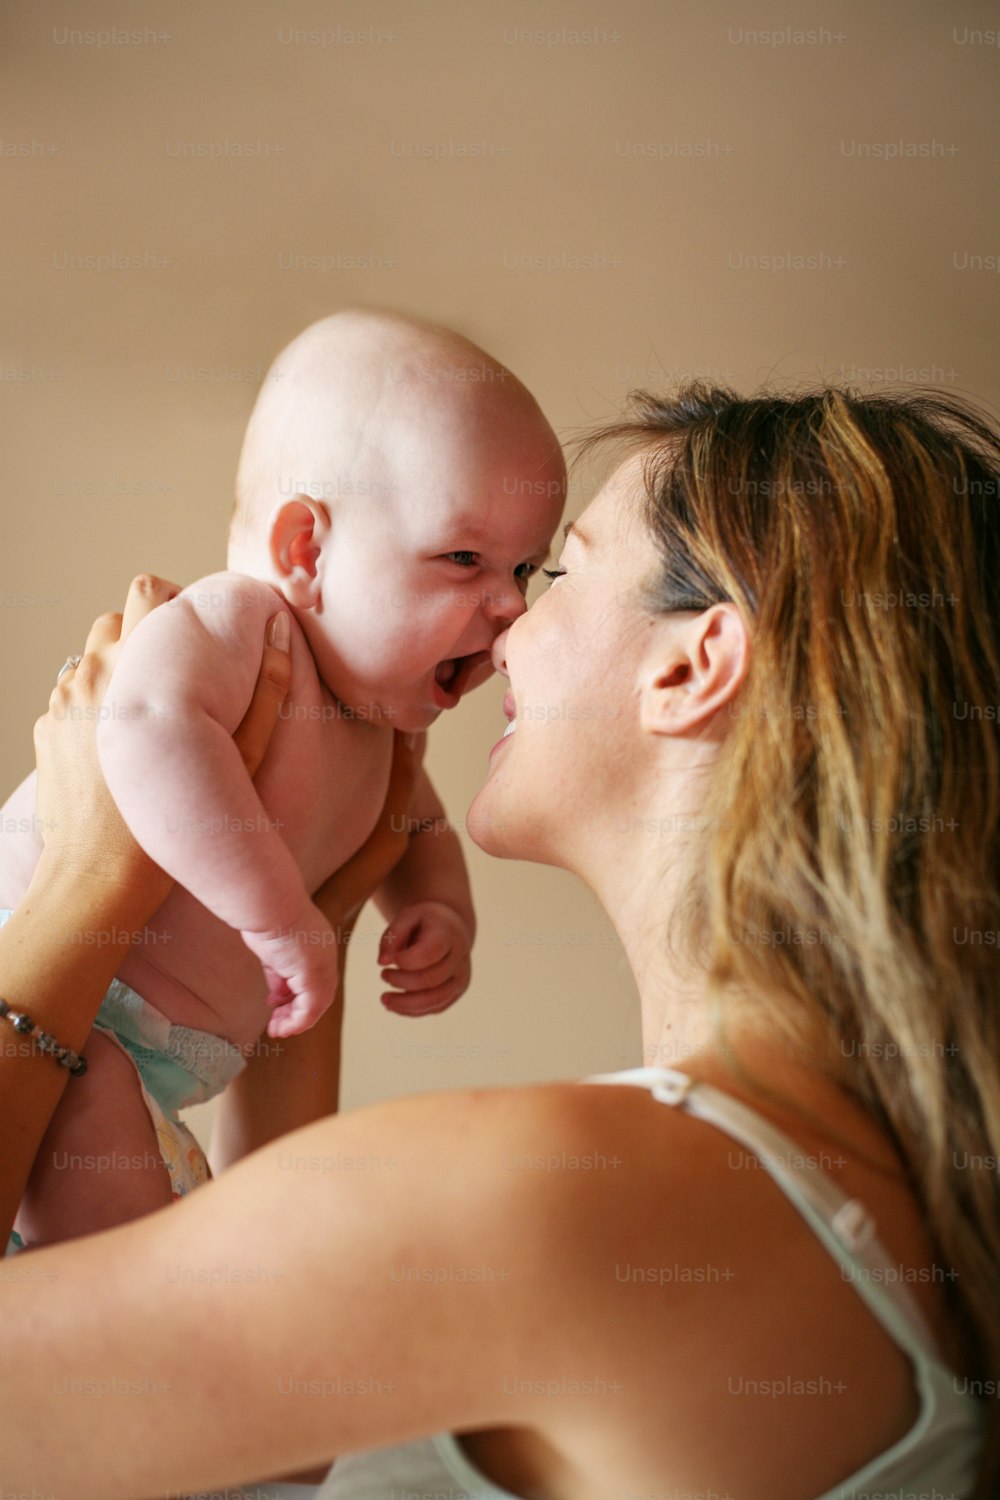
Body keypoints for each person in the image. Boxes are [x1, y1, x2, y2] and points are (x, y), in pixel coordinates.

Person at [0, 382, 997, 1500]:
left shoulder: (543, 1203)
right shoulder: (898, 1198)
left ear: (689, 666)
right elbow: (268, 1422)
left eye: (552, 571)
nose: (505, 617)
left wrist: (85, 881)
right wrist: (307, 905)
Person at [0, 308, 566, 1247]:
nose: (507, 605)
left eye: (525, 569)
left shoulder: (379, 732)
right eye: (464, 558)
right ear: (305, 550)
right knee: (138, 1250)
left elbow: (412, 829)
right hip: (56, 1008)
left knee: (203, 1242)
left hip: (149, 1079)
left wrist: (441, 909)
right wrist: (276, 917)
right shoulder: (246, 627)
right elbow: (145, 726)